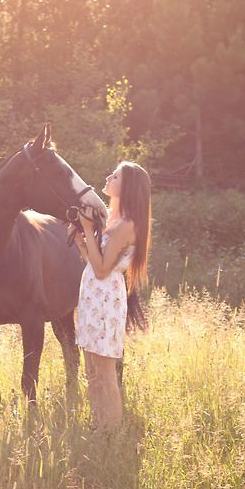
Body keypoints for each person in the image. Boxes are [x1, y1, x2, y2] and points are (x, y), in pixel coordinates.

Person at [73, 162, 151, 430]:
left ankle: (113, 435)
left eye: (115, 175)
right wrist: (83, 241)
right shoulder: (111, 219)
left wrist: (86, 230)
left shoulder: (128, 225)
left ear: (127, 186)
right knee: (91, 370)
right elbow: (93, 261)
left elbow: (104, 269)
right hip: (92, 295)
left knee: (105, 373)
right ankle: (98, 425)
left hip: (106, 298)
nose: (108, 177)